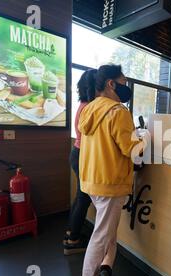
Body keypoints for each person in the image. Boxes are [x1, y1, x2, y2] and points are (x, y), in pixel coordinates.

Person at [78, 64, 146, 276]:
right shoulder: (118, 112)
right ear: (111, 84)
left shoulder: (89, 109)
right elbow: (131, 150)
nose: (126, 89)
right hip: (110, 183)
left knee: (107, 230)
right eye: (124, 83)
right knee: (102, 234)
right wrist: (146, 139)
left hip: (91, 181)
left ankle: (106, 270)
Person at [64, 69, 97, 255]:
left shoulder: (83, 104)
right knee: (83, 198)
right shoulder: (89, 107)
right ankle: (73, 240)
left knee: (80, 196)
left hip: (77, 153)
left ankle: (70, 233)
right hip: (82, 154)